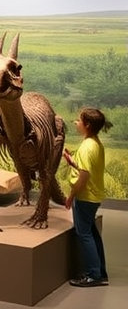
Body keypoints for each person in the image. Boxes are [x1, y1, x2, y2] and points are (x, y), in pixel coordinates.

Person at [63, 106, 112, 288]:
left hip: (85, 197)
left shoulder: (86, 147)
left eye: (79, 120)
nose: (76, 122)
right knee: (92, 233)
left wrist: (71, 196)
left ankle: (93, 275)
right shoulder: (95, 143)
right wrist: (72, 162)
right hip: (94, 196)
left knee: (84, 234)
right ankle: (100, 272)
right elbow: (87, 168)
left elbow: (83, 177)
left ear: (87, 125)